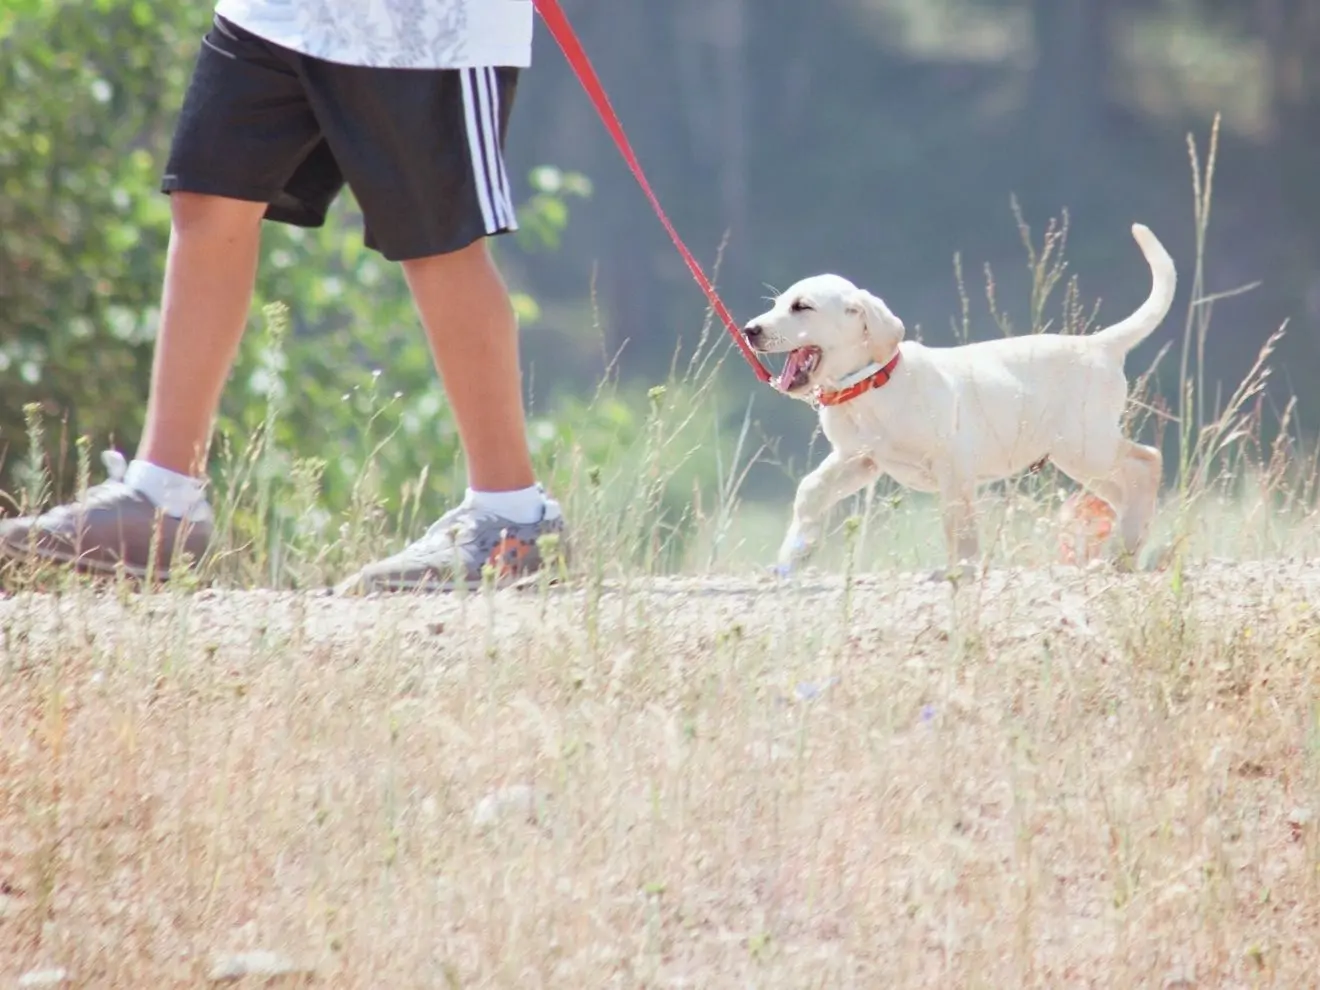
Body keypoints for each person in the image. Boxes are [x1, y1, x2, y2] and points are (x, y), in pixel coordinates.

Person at [0, 0, 567, 593]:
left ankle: (512, 516)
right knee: (208, 193)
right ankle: (164, 499)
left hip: (422, 25)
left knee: (438, 241)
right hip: (277, 13)